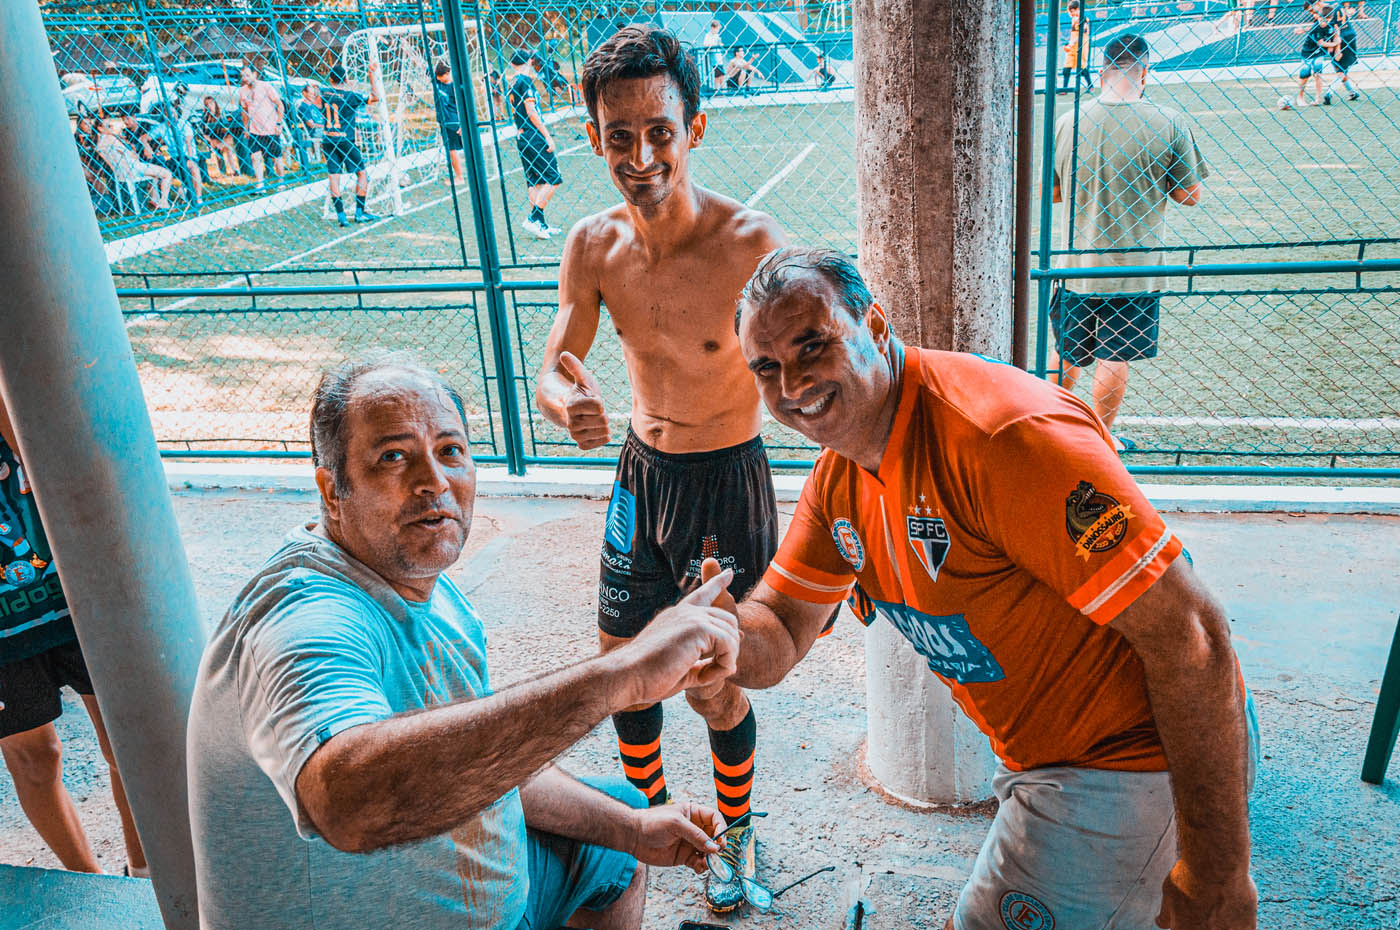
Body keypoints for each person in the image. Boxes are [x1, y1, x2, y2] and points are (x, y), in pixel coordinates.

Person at [724, 247, 1260, 930]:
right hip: (1048, 764)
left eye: (813, 345)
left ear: (876, 326)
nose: (793, 383)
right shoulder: (842, 474)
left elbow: (1195, 635)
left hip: (1130, 765)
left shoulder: (1000, 436)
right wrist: (716, 642)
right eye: (766, 367)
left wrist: (1218, 874)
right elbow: (780, 624)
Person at [186, 356, 738, 930]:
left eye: (450, 450)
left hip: (490, 899)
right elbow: (345, 802)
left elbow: (485, 754)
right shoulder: (303, 612)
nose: (434, 481)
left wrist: (631, 829)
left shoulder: (426, 583)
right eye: (393, 457)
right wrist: (618, 676)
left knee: (622, 825)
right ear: (332, 490)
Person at [534, 25, 788, 912]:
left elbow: (821, 368)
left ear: (695, 130)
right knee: (625, 677)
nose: (641, 158)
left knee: (713, 687)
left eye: (660, 133)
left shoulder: (753, 244)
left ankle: (736, 835)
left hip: (728, 480)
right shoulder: (592, 245)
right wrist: (567, 406)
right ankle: (652, 822)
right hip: (641, 478)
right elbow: (553, 369)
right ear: (594, 137)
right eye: (619, 137)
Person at [0, 397, 148, 879]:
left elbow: (40, 443)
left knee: (128, 741)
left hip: (79, 589)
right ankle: (91, 887)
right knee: (35, 758)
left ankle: (144, 878)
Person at [1049, 33, 1207, 450]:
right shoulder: (1168, 121)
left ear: (1101, 72)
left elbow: (1054, 193)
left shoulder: (1069, 122)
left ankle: (1048, 430)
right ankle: (1100, 440)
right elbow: (1189, 195)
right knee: (1114, 355)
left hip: (1075, 264)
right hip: (1135, 267)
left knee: (1065, 352)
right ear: (1145, 72)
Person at [506, 49, 564, 239]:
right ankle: (534, 218)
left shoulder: (513, 82)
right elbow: (530, 110)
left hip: (522, 135)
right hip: (533, 134)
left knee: (535, 181)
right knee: (553, 177)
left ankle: (540, 224)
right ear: (529, 61)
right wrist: (547, 135)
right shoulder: (525, 81)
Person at [319, 64, 381, 227]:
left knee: (334, 177)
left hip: (328, 139)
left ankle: (342, 216)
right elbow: (375, 97)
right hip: (345, 139)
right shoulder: (350, 96)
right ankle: (359, 213)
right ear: (345, 79)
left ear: (330, 79)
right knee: (362, 173)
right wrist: (371, 74)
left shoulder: (323, 93)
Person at [95, 118, 173, 210]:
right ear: (100, 128)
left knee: (155, 173)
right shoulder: (111, 138)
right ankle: (164, 202)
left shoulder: (100, 144)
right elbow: (130, 154)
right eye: (109, 126)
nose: (112, 128)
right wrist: (132, 151)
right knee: (167, 174)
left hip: (121, 173)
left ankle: (155, 199)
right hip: (133, 168)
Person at [1284, 1, 1342, 109]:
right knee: (1305, 75)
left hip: (1320, 53)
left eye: (1326, 20)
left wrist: (1336, 44)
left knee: (1318, 74)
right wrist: (1334, 44)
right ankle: (1300, 97)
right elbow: (1321, 43)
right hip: (1308, 52)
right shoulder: (1316, 27)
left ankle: (1318, 98)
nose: (1323, 22)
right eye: (1321, 19)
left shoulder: (1330, 22)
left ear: (1330, 19)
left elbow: (1336, 31)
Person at [238, 65, 285, 191]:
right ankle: (260, 183)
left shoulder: (266, 86)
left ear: (255, 74)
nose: (245, 78)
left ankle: (281, 181)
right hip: (254, 130)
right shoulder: (242, 91)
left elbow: (280, 105)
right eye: (243, 76)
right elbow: (244, 111)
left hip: (270, 128)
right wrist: (246, 128)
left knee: (276, 158)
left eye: (247, 75)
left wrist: (278, 123)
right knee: (255, 157)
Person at [432, 61, 466, 184]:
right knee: (451, 150)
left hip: (454, 122)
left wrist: (462, 125)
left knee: (463, 148)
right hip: (444, 122)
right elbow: (423, 66)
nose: (439, 79)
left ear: (447, 73)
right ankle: (459, 176)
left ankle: (463, 176)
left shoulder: (456, 87)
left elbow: (464, 106)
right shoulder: (437, 82)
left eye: (441, 77)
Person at [1323, 0, 1363, 103]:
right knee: (1342, 69)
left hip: (1340, 38)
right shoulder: (1336, 5)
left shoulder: (1326, 10)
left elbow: (1336, 31)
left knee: (1340, 70)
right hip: (1350, 35)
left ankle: (1329, 93)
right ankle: (1352, 92)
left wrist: (1337, 49)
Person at [196, 96, 239, 177]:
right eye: (207, 104)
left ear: (215, 104)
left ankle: (233, 169)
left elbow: (227, 130)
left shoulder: (221, 114)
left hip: (223, 139)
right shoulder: (205, 117)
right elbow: (203, 133)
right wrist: (212, 141)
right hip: (213, 140)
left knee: (228, 148)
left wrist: (222, 142)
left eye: (211, 103)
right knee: (217, 147)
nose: (210, 106)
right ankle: (222, 171)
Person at [1060, 0, 1094, 93]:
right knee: (1066, 67)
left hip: (1081, 46)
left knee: (1082, 67)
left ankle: (1090, 85)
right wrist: (1069, 43)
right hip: (1072, 46)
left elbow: (1081, 34)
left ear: (1078, 9)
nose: (1071, 13)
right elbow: (1074, 34)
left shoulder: (1084, 19)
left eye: (1072, 11)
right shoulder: (1074, 19)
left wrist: (1072, 43)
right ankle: (1064, 89)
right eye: (1070, 11)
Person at [295, 84, 325, 164]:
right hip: (314, 131)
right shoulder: (302, 106)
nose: (313, 95)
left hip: (322, 128)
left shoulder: (312, 105)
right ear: (304, 93)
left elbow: (321, 118)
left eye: (314, 94)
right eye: (311, 93)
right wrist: (325, 126)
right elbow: (311, 125)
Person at [701, 20, 725, 93]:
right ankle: (718, 90)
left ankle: (722, 90)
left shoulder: (717, 36)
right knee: (718, 75)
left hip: (719, 57)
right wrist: (713, 45)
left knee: (721, 74)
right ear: (713, 28)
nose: (718, 31)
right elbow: (705, 44)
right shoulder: (708, 35)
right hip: (714, 58)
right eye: (717, 29)